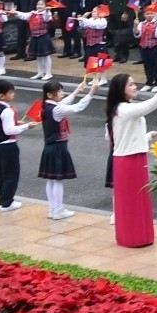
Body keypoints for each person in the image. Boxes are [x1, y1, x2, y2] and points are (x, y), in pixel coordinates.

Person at [107, 71, 157, 247]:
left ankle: (141, 236)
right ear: (121, 89)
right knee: (133, 202)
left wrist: (146, 136)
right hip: (129, 161)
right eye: (131, 84)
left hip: (135, 157)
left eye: (134, 83)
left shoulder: (124, 108)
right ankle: (133, 238)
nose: (135, 87)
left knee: (140, 200)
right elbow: (153, 103)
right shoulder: (124, 109)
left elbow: (124, 135)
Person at [38, 77, 100, 220]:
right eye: (59, 91)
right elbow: (77, 107)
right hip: (58, 146)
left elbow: (64, 102)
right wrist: (91, 93)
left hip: (49, 146)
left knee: (50, 179)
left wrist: (77, 91)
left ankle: (52, 209)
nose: (62, 93)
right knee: (57, 179)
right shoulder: (57, 109)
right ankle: (58, 210)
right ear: (49, 94)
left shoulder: (47, 105)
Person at [0, 78, 36, 213]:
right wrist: (26, 126)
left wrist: (16, 123)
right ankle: (7, 202)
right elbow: (8, 130)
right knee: (11, 174)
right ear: (2, 95)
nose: (13, 94)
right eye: (10, 92)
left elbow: (0, 125)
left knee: (1, 174)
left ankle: (2, 200)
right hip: (8, 145)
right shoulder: (7, 111)